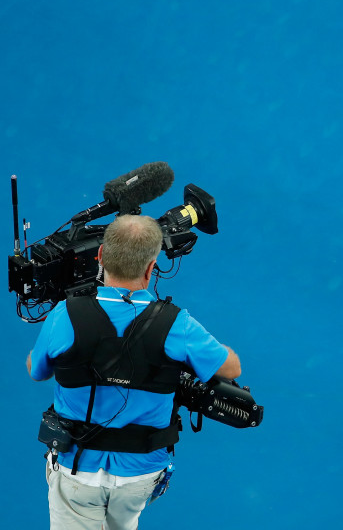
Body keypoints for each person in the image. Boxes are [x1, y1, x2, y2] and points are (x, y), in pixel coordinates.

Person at [27, 214, 242, 528]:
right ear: (151, 267)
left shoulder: (65, 315)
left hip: (77, 470)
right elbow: (231, 367)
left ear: (100, 256)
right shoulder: (177, 324)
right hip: (140, 474)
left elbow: (37, 370)